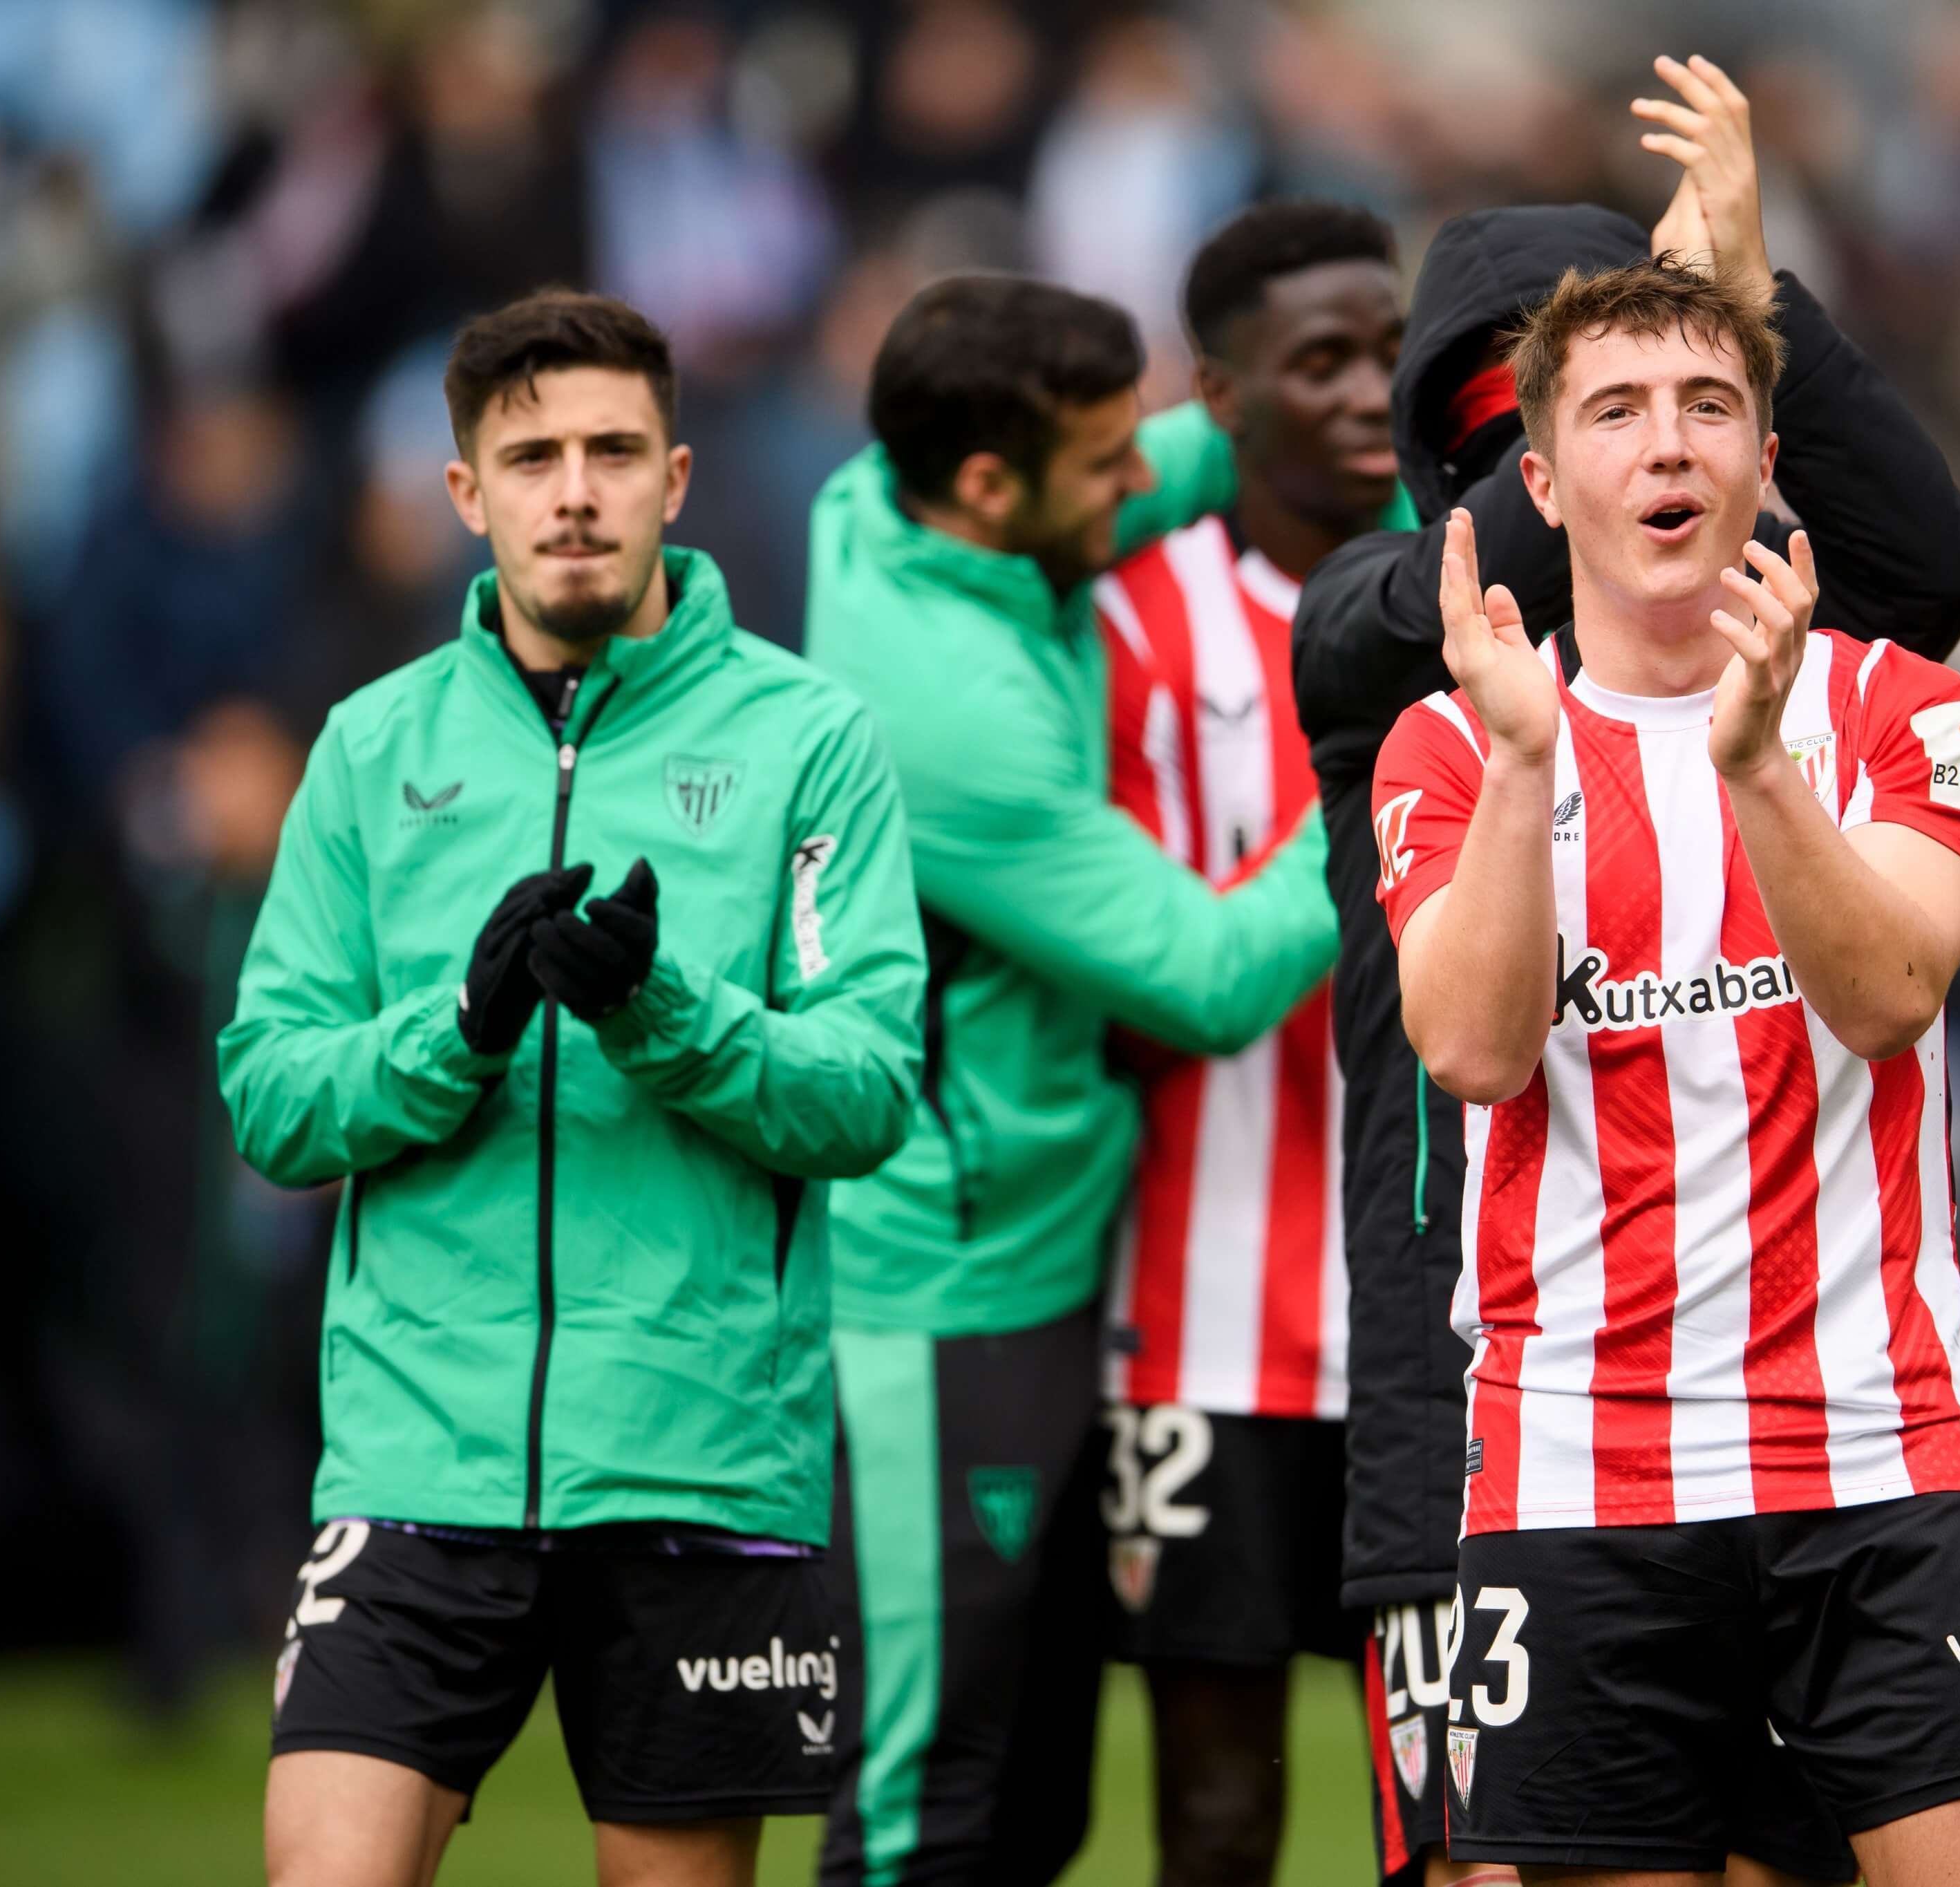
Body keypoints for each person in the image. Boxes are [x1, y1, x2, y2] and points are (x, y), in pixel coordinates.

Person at [1290, 55, 1960, 1886]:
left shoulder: (1819, 681)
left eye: (1702, 404)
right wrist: (1704, 358)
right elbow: (1551, 550)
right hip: (1481, 1365)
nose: (1655, 448)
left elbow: (1928, 566)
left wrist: (1744, 310)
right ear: (1497, 439)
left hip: (1821, 1408)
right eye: (1582, 402)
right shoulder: (1381, 631)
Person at [221, 290, 928, 1887]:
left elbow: (868, 1085)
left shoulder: (808, 740)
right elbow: (270, 1096)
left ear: (675, 479)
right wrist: (453, 1032)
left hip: (699, 1454)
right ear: (464, 495)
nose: (576, 490)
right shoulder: (366, 746)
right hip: (416, 1456)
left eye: (614, 450)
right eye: (530, 456)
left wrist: (662, 1014)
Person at [803, 277, 1339, 1887]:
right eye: (1103, 466)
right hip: (937, 1296)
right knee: (921, 1801)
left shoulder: (905, 491)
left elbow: (1195, 452)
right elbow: (1215, 976)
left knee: (1032, 1804)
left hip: (1045, 1258)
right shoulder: (946, 719)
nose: (1142, 484)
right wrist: (1394, 751)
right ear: (987, 488)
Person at [1090, 199, 1405, 1887]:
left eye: (1390, 350)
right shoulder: (1130, 621)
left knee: (1451, 1805)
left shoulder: (1492, 594)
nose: (1370, 392)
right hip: (1194, 1320)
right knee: (1214, 1814)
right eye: (1321, 361)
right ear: (1219, 396)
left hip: (1447, 1324)